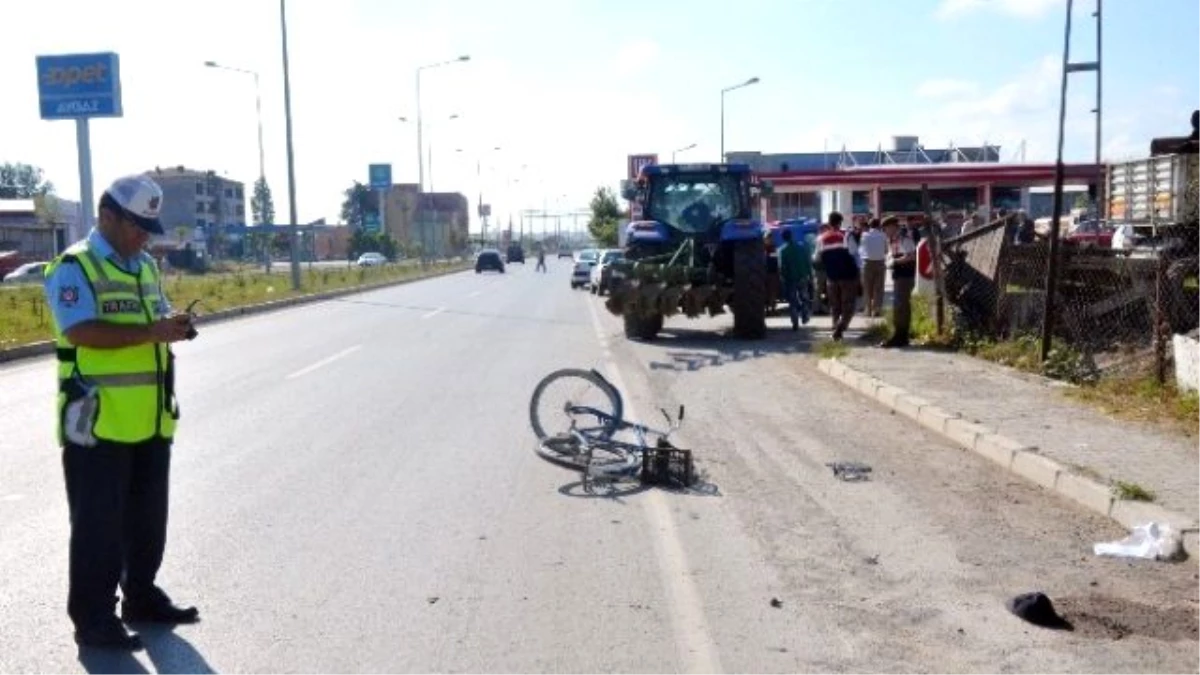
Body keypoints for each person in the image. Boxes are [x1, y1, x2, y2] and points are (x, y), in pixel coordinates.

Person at [43, 174, 200, 651]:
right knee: (98, 527)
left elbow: (157, 317)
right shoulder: (74, 267)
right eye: (136, 225)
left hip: (151, 418)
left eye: (149, 226)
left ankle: (142, 596)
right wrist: (152, 332)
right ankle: (93, 619)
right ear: (106, 217)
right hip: (97, 422)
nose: (144, 235)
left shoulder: (146, 266)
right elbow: (83, 332)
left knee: (148, 520)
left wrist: (177, 327)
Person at [815, 211, 860, 341]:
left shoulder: (821, 239)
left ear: (829, 223)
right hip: (848, 277)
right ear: (840, 223)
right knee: (848, 305)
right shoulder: (847, 236)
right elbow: (855, 255)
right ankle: (840, 328)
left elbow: (817, 259)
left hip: (831, 277)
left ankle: (835, 326)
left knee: (835, 305)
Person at [881, 215, 917, 348]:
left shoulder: (904, 239)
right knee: (899, 306)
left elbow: (912, 256)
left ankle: (901, 336)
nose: (885, 231)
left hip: (905, 275)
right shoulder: (892, 240)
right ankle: (899, 335)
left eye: (886, 228)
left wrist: (895, 261)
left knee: (901, 306)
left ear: (893, 227)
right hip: (898, 274)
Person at [778, 227, 813, 330]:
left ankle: (795, 322)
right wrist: (809, 275)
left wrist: (783, 278)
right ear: (792, 236)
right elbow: (808, 262)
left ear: (783, 238)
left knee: (792, 301)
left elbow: (782, 267)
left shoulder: (783, 251)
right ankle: (805, 315)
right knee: (804, 298)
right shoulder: (802, 248)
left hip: (790, 279)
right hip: (802, 277)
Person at [858, 218, 888, 317]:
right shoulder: (883, 235)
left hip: (867, 263)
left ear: (869, 226)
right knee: (878, 287)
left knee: (867, 287)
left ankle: (868, 310)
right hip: (880, 262)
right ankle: (877, 310)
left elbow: (861, 249)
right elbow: (886, 250)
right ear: (879, 225)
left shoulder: (864, 235)